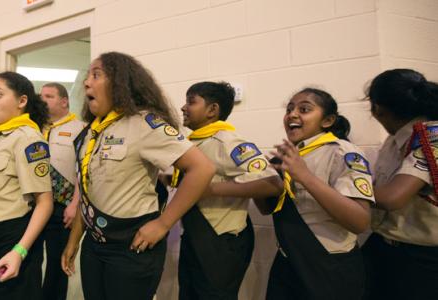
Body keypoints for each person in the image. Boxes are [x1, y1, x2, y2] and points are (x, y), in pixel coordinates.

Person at [61, 51, 215, 300]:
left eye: (96, 75)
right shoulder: (90, 133)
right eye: (87, 76)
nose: (86, 82)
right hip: (94, 245)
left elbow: (203, 168)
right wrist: (74, 240)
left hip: (130, 247)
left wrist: (164, 224)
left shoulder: (145, 123)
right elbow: (87, 191)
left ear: (120, 82)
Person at [261, 88, 374, 300]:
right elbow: (267, 209)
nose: (292, 114)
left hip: (329, 265)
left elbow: (360, 222)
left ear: (328, 120)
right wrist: (259, 180)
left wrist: (304, 176)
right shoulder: (288, 154)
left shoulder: (343, 152)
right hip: (288, 260)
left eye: (304, 109)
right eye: (289, 109)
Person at [177, 81, 282, 299]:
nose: (183, 107)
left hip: (220, 240)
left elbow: (271, 183)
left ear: (212, 110)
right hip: (195, 236)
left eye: (191, 102)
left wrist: (209, 190)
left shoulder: (228, 142)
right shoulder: (194, 143)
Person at [0, 71, 53, 299]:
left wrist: (19, 251)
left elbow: (44, 203)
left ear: (22, 101)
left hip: (13, 238)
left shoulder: (28, 139)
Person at [362, 69, 438, 299]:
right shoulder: (395, 138)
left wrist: (327, 187)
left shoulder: (429, 138)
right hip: (385, 246)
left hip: (420, 259)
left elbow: (392, 198)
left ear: (377, 109)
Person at [40, 82, 85, 300]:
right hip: (37, 204)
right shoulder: (35, 128)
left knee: (58, 264)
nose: (43, 99)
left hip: (63, 207)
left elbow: (82, 170)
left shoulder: (80, 129)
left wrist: (75, 204)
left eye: (49, 96)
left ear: (64, 101)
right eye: (41, 96)